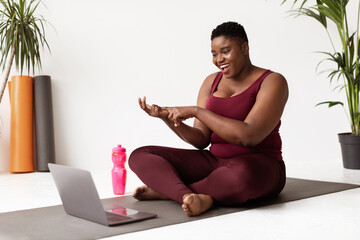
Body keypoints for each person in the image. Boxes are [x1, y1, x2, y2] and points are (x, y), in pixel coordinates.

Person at [129, 21, 288, 217]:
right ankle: (189, 196)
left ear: (244, 48)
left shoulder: (272, 81)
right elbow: (201, 139)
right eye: (214, 54)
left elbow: (249, 135)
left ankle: (171, 192)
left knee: (239, 177)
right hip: (214, 162)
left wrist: (198, 111)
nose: (219, 59)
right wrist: (167, 118)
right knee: (141, 155)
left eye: (225, 51)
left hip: (259, 166)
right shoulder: (211, 82)